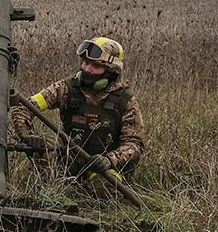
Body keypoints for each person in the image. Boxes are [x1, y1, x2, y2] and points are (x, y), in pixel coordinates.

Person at [11, 37, 145, 192]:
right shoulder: (66, 88)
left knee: (105, 188)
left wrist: (109, 160)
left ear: (111, 71)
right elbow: (25, 107)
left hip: (103, 167)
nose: (87, 69)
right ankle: (51, 191)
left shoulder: (125, 101)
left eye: (95, 65)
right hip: (69, 159)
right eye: (85, 62)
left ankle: (87, 193)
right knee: (46, 144)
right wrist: (27, 135)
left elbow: (135, 144)